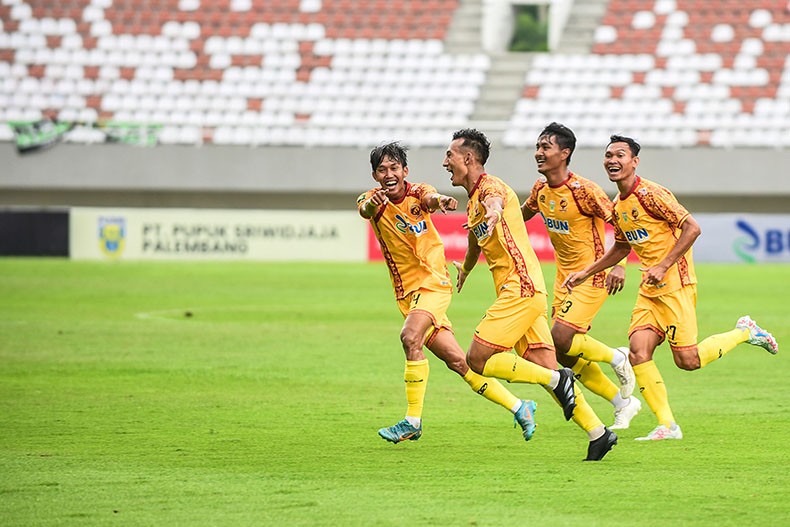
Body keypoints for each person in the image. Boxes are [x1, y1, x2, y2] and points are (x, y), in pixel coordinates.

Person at [563, 134, 779, 441]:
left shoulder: (652, 194)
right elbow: (622, 247)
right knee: (639, 352)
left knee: (687, 361)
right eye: (608, 155)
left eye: (620, 155)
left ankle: (745, 332)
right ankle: (667, 425)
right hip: (649, 290)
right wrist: (587, 272)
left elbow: (692, 228)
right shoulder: (618, 205)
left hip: (676, 284)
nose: (612, 160)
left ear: (634, 162)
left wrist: (664, 264)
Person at [445, 128, 617, 461]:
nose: (444, 162)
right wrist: (466, 268)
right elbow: (474, 241)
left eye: (449, 156)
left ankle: (558, 378)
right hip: (526, 291)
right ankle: (598, 433)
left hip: (520, 288)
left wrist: (495, 210)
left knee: (477, 360)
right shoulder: (473, 203)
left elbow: (495, 201)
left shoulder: (490, 189)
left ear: (467, 158)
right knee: (542, 364)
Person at [358, 141, 538, 445]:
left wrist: (439, 200)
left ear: (405, 170)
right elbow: (365, 210)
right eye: (381, 169)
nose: (389, 174)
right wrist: (373, 205)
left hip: (433, 283)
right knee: (459, 362)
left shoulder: (418, 191)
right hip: (407, 295)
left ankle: (412, 421)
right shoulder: (371, 200)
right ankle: (520, 406)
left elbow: (429, 198)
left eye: (394, 168)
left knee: (409, 337)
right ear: (375, 175)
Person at [521, 122, 641, 430]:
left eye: (545, 147)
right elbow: (520, 214)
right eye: (538, 147)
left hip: (593, 274)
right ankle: (622, 402)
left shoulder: (585, 190)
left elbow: (620, 222)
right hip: (565, 278)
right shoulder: (540, 190)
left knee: (561, 336)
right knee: (563, 352)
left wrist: (618, 265)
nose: (538, 153)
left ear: (565, 153)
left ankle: (617, 357)